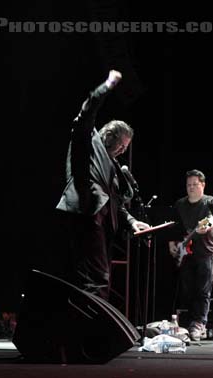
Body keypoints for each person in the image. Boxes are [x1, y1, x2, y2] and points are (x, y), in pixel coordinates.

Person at [56, 70, 150, 300]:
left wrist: (132, 221)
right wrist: (106, 86)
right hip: (85, 214)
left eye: (125, 148)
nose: (122, 151)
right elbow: (87, 111)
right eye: (121, 144)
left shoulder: (114, 167)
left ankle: (84, 330)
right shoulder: (88, 139)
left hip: (102, 223)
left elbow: (117, 202)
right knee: (98, 280)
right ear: (109, 135)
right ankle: (91, 332)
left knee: (94, 279)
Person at [168, 169, 213, 341]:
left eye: (195, 184)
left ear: (203, 185)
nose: (191, 188)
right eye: (188, 185)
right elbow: (174, 227)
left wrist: (207, 226)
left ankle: (199, 324)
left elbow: (212, 219)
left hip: (206, 251)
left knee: (203, 290)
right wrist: (172, 243)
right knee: (187, 289)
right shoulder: (180, 204)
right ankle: (189, 323)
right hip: (186, 253)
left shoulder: (210, 202)